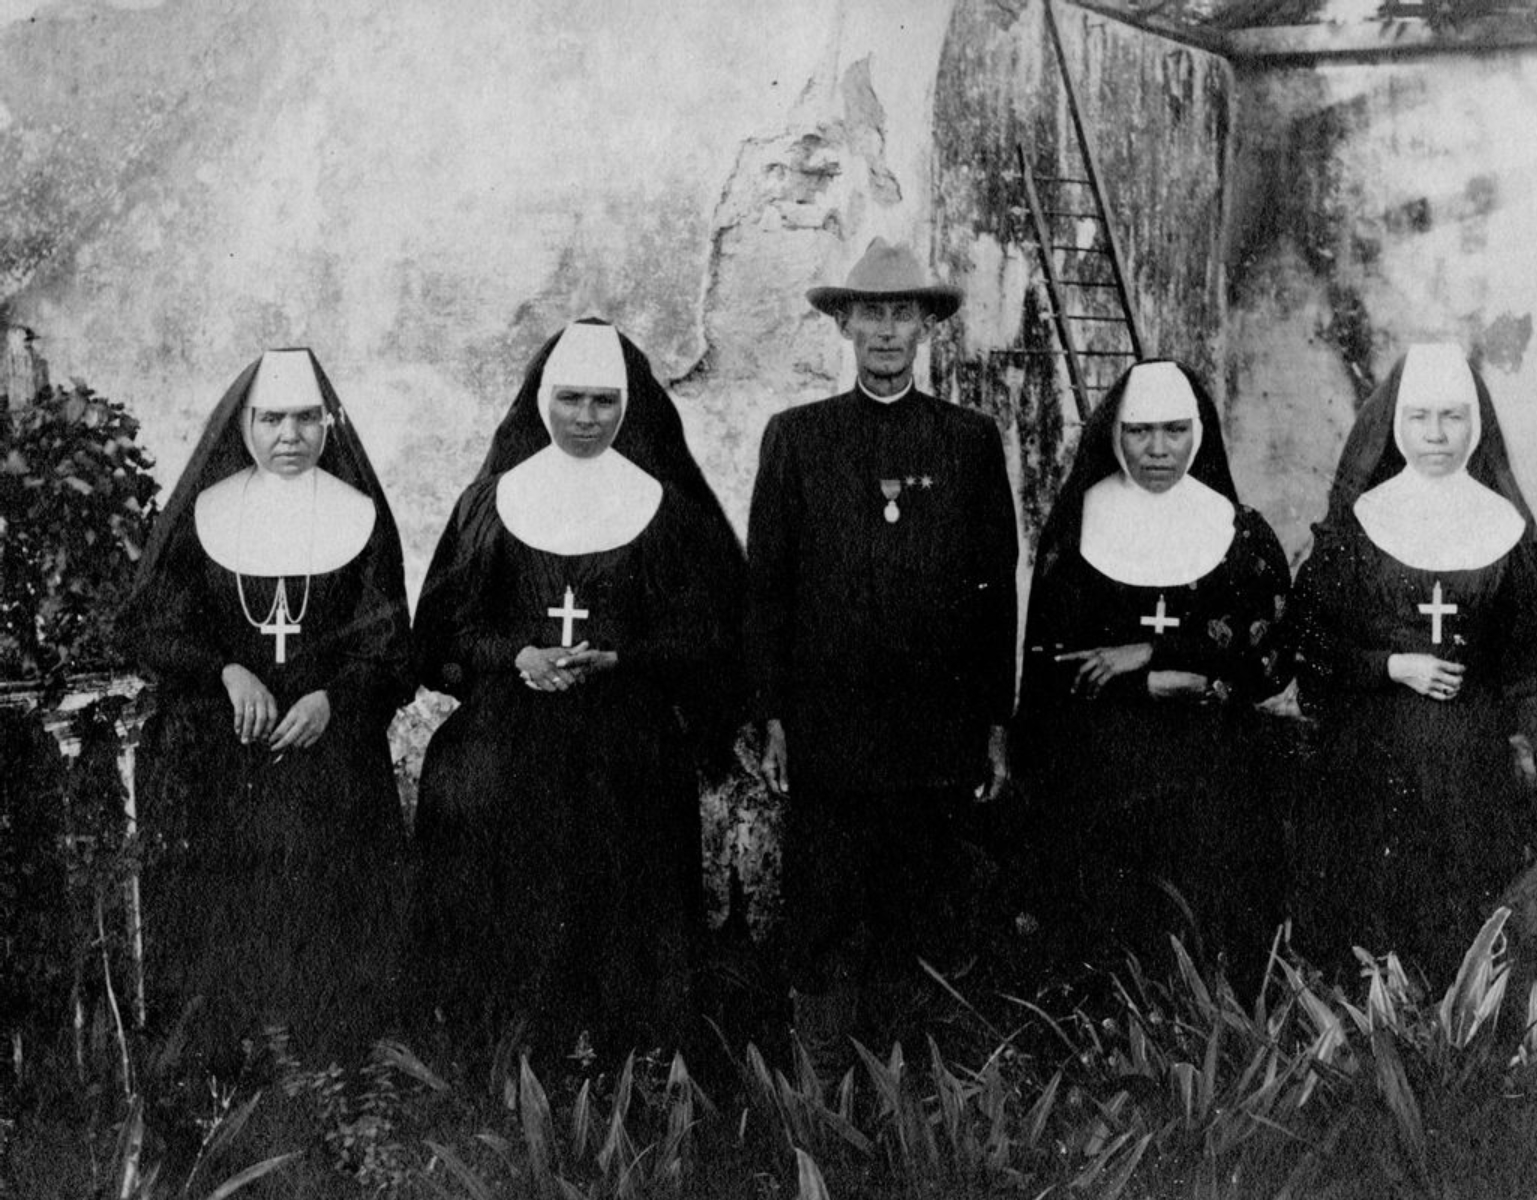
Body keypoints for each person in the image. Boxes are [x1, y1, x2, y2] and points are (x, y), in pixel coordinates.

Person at [410, 319, 743, 1069]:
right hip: (512, 744)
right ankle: (504, 1068)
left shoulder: (667, 510)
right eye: (569, 399)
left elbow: (708, 636)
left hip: (628, 749)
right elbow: (443, 632)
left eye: (601, 401)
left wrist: (623, 657)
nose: (585, 418)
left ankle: (633, 1079)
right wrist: (518, 655)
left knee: (627, 908)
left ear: (627, 407)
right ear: (540, 400)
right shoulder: (493, 503)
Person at [746, 238, 1018, 1059]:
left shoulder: (969, 441)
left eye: (905, 313)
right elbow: (767, 586)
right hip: (831, 730)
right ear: (844, 324)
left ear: (927, 328)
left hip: (933, 731)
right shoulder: (797, 439)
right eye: (872, 313)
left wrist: (993, 719)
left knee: (920, 908)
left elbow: (994, 590)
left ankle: (916, 1098)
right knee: (825, 912)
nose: (888, 331)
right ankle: (821, 1098)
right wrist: (770, 713)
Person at [126, 348, 412, 1067]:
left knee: (331, 896)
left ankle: (336, 1057)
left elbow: (388, 641)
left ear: (328, 423)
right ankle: (232, 1057)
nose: (291, 434)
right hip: (228, 752)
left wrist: (333, 699)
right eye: (273, 417)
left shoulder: (362, 517)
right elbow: (155, 625)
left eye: (307, 418)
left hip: (331, 749)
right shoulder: (204, 515)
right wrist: (224, 670)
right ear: (244, 425)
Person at [1289, 343, 1537, 988]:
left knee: (1460, 940)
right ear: (1396, 422)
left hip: (1469, 774)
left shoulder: (1505, 526)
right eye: (1419, 417)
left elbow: (1529, 662)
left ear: (1475, 424)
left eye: (1452, 417)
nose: (1436, 435)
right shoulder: (1357, 526)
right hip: (1371, 764)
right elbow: (1309, 645)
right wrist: (1391, 665)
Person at [1016, 360, 1292, 991]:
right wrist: (1152, 683)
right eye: (1141, 431)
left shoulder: (1239, 530)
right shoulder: (1079, 524)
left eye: (1174, 430)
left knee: (1205, 938)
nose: (1159, 449)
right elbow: (1051, 663)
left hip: (1212, 781)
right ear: (1116, 433)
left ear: (1198, 432)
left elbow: (1271, 658)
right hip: (1103, 779)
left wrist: (1153, 654)